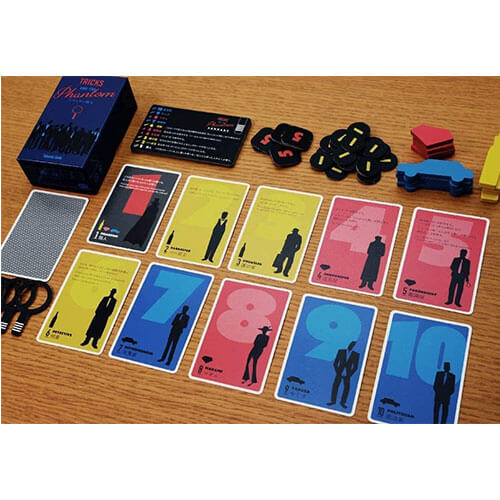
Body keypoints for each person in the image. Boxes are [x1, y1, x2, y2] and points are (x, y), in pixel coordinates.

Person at [327, 341, 360, 409]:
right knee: (335, 386)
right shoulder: (341, 351)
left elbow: (355, 367)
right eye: (351, 345)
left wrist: (349, 375)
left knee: (346, 388)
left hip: (347, 374)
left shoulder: (356, 354)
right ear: (349, 345)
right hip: (339, 372)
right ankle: (333, 401)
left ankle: (343, 403)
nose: (352, 346)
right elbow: (335, 363)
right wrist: (338, 372)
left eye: (354, 345)